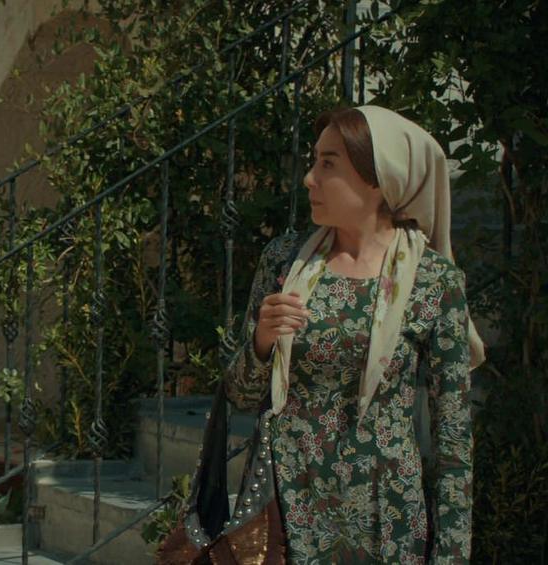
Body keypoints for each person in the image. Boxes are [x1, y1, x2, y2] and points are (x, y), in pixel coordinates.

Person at [172, 106, 484, 564]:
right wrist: (261, 342)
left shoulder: (433, 281)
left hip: (386, 520)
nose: (309, 179)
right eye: (313, 161)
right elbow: (240, 394)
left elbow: (453, 437)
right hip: (285, 512)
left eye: (328, 164)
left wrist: (451, 556)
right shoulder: (285, 261)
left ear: (379, 178)